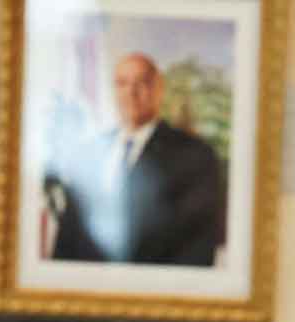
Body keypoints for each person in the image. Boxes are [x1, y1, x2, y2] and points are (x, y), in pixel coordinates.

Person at [43, 52, 224, 265]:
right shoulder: (89, 152)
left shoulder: (194, 155)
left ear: (159, 90)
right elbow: (67, 236)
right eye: (122, 84)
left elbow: (199, 245)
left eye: (142, 83)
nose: (131, 92)